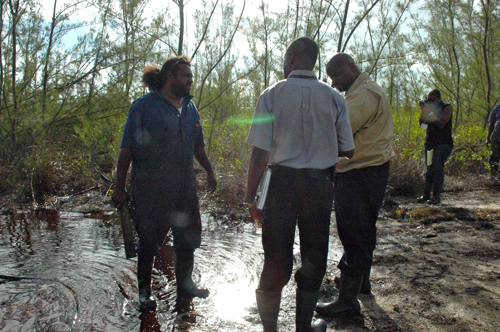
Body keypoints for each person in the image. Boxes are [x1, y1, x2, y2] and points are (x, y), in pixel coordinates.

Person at [245, 37, 355, 332]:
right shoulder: (334, 98)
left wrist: (251, 198)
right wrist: (320, 141)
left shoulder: (272, 94)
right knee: (314, 256)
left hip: (280, 185)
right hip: (318, 187)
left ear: (292, 57)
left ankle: (270, 330)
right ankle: (303, 328)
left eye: (284, 58)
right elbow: (349, 149)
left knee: (275, 258)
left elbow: (259, 153)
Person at [112, 55, 217, 311]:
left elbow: (198, 146)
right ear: (170, 77)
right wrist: (119, 186)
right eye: (186, 76)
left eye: (191, 76)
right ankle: (145, 293)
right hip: (152, 189)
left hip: (185, 188)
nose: (190, 80)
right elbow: (127, 149)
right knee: (149, 240)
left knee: (187, 238)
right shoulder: (144, 106)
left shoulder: (191, 108)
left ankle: (186, 283)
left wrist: (210, 171)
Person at [315, 53, 394, 317]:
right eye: (331, 77)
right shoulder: (361, 91)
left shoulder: (363, 95)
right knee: (363, 229)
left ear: (351, 67)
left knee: (353, 232)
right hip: (367, 171)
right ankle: (362, 285)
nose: (334, 82)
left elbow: (337, 131)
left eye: (337, 75)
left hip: (361, 172)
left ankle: (348, 302)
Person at [416, 89, 453, 204]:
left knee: (437, 168)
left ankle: (436, 196)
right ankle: (426, 195)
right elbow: (422, 125)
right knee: (429, 169)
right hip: (430, 144)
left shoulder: (446, 107)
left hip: (443, 144)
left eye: (431, 100)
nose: (430, 102)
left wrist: (431, 112)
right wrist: (424, 111)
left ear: (438, 98)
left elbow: (442, 124)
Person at [486, 104, 500, 178]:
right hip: (496, 139)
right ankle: (493, 176)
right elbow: (491, 124)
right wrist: (488, 137)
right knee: (494, 157)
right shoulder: (497, 108)